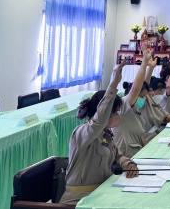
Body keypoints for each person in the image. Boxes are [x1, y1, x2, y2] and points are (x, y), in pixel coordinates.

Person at [59, 62, 139, 205]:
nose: (116, 116)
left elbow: (118, 155)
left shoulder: (106, 135)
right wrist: (114, 84)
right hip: (78, 199)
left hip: (101, 193)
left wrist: (128, 164)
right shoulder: (83, 133)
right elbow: (100, 119)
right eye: (113, 112)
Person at [112, 48, 155, 157]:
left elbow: (144, 85)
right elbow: (136, 88)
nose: (143, 99)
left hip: (137, 150)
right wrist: (144, 62)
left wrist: (150, 68)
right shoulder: (124, 104)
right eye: (142, 96)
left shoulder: (135, 107)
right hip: (126, 155)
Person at [139, 55, 170, 131]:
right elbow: (143, 85)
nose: (161, 96)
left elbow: (165, 115)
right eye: (160, 93)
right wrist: (149, 67)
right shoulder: (144, 101)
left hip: (155, 133)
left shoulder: (156, 104)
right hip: (146, 136)